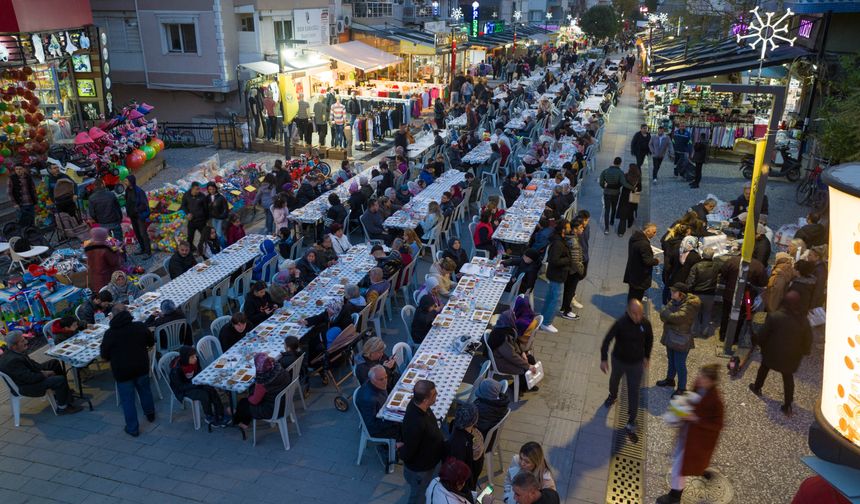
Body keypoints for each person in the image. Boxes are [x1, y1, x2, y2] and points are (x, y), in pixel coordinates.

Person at [656, 364, 724, 504]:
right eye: (700, 375)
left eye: (703, 378)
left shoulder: (716, 401)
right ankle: (700, 470)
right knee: (683, 463)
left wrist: (696, 419)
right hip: (688, 434)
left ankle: (674, 498)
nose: (699, 378)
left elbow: (717, 425)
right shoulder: (699, 385)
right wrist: (683, 406)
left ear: (711, 381)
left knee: (680, 468)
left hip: (698, 440)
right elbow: (692, 399)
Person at [749, 291, 812, 416]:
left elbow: (763, 335)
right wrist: (804, 351)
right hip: (791, 356)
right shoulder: (803, 321)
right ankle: (787, 404)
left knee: (764, 368)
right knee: (788, 378)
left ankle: (757, 387)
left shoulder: (775, 316)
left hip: (772, 353)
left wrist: (759, 344)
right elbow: (808, 339)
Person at [601, 299, 653, 438]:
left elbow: (649, 339)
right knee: (614, 381)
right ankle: (612, 396)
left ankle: (631, 420)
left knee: (634, 391)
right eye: (634, 314)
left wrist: (647, 356)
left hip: (636, 364)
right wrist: (604, 359)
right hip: (619, 360)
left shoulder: (645, 324)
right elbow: (607, 340)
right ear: (629, 312)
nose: (637, 317)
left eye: (640, 314)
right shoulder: (620, 323)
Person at [100, 305, 156, 436]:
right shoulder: (139, 326)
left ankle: (133, 428)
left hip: (123, 372)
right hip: (141, 366)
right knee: (145, 391)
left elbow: (104, 355)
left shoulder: (110, 334)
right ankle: (150, 414)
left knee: (128, 401)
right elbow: (151, 341)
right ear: (128, 313)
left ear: (112, 316)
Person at [0, 331, 81, 415]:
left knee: (54, 363)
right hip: (25, 386)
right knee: (59, 380)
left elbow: (31, 364)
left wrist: (43, 370)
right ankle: (63, 407)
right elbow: (30, 378)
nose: (26, 342)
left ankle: (63, 394)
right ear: (14, 346)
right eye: (22, 341)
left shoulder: (14, 351)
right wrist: (44, 374)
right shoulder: (13, 360)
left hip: (27, 376)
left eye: (24, 339)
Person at [401, 379, 446, 504]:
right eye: (434, 394)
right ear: (425, 400)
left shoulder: (420, 406)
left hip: (431, 463)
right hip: (421, 471)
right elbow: (409, 450)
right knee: (418, 496)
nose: (437, 394)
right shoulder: (416, 423)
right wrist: (401, 450)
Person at [656, 284, 701, 395]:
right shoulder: (674, 301)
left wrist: (667, 314)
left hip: (681, 339)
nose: (671, 293)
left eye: (674, 292)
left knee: (679, 364)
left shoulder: (690, 305)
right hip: (671, 336)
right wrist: (668, 315)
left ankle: (682, 388)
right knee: (671, 360)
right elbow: (664, 316)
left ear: (681, 294)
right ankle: (670, 380)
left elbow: (677, 318)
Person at [168, 346, 230, 426]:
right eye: (192, 357)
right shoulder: (176, 370)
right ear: (186, 358)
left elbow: (199, 372)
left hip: (195, 382)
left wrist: (200, 381)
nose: (195, 358)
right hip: (183, 390)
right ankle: (209, 416)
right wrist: (195, 384)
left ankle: (220, 413)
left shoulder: (195, 361)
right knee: (203, 395)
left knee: (211, 388)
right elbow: (180, 387)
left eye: (195, 356)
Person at [233, 354, 292, 432]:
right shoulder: (280, 369)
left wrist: (249, 396)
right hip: (285, 401)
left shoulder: (263, 382)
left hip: (272, 409)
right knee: (247, 400)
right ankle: (243, 419)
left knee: (244, 403)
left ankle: (241, 422)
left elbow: (254, 401)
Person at [717, 254, 766, 342]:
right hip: (747, 297)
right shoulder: (759, 266)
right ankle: (735, 338)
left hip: (729, 294)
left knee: (726, 314)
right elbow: (763, 282)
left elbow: (723, 274)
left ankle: (723, 335)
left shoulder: (732, 261)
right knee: (742, 317)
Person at [356, 365, 403, 443]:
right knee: (408, 430)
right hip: (378, 430)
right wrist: (394, 420)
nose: (385, 381)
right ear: (372, 380)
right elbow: (372, 425)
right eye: (381, 379)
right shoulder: (368, 400)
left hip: (384, 413)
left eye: (386, 377)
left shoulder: (376, 383)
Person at [446, 403, 485, 492]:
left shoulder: (456, 425)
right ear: (473, 420)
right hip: (467, 477)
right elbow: (463, 468)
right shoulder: (462, 444)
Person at [685, 247, 719, 337]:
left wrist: (687, 291)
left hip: (697, 293)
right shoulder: (716, 266)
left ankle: (694, 332)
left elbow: (691, 281)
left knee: (695, 314)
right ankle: (705, 332)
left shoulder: (696, 266)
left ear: (703, 255)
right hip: (710, 294)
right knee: (707, 314)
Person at [623, 223, 660, 301]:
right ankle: (633, 312)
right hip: (639, 277)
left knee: (632, 295)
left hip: (632, 272)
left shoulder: (634, 237)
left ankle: (630, 310)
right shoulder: (644, 244)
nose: (655, 234)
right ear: (647, 231)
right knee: (637, 297)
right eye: (654, 232)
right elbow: (648, 261)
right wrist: (656, 261)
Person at [598, 157, 630, 235]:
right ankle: (612, 221)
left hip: (607, 193)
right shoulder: (620, 172)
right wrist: (632, 188)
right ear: (620, 163)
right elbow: (624, 183)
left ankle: (606, 228)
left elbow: (601, 182)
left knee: (607, 210)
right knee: (614, 207)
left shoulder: (605, 171)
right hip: (616, 193)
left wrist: (604, 187)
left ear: (613, 162)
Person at [84, 227, 121, 292]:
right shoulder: (105, 249)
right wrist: (117, 251)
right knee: (109, 292)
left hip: (94, 275)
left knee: (100, 293)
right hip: (106, 276)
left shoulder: (89, 247)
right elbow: (114, 262)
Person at [124, 175, 152, 256]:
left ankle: (148, 252)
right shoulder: (127, 190)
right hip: (132, 216)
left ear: (131, 181)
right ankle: (142, 249)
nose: (125, 182)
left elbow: (144, 204)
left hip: (139, 216)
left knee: (143, 234)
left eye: (126, 181)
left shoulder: (139, 191)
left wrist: (136, 210)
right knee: (137, 233)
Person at [180, 181, 209, 246]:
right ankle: (190, 250)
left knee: (205, 236)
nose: (198, 191)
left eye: (199, 189)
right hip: (191, 221)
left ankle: (207, 249)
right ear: (192, 189)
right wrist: (187, 213)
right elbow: (183, 206)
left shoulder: (202, 196)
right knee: (190, 237)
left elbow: (206, 208)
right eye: (197, 189)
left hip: (201, 221)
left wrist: (207, 219)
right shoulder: (186, 195)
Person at [616, 163, 641, 236]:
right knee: (631, 211)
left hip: (625, 197)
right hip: (634, 196)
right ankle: (630, 223)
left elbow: (621, 184)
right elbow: (640, 188)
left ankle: (621, 232)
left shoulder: (626, 176)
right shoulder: (638, 178)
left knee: (623, 216)